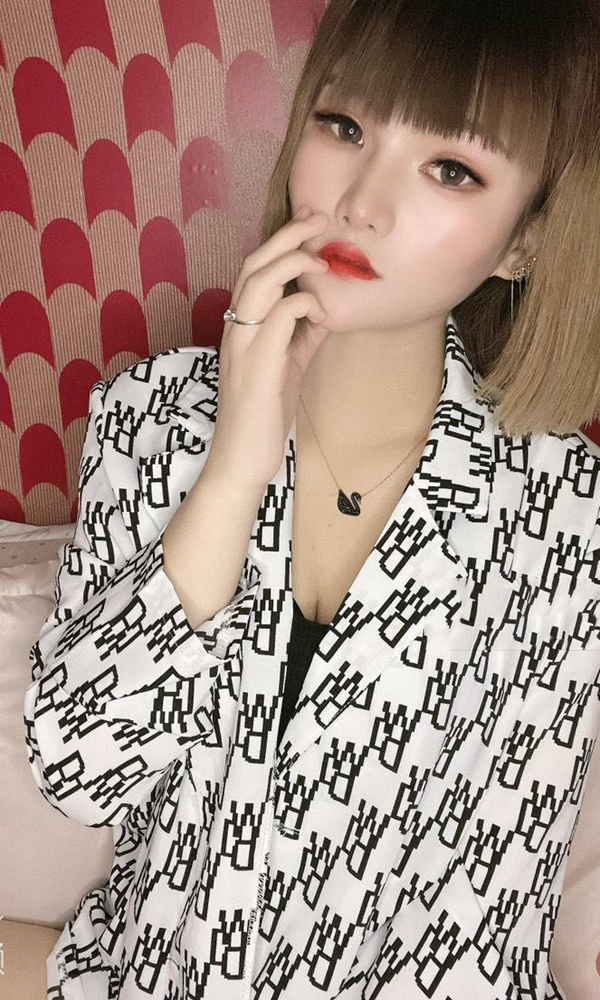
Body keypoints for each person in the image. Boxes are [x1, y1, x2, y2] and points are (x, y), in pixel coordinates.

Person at [24, 1, 600, 998]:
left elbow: (485, 905)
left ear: (525, 242)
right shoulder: (149, 414)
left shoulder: (570, 517)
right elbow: (77, 771)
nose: (361, 202)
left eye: (451, 168)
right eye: (345, 126)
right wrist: (234, 469)